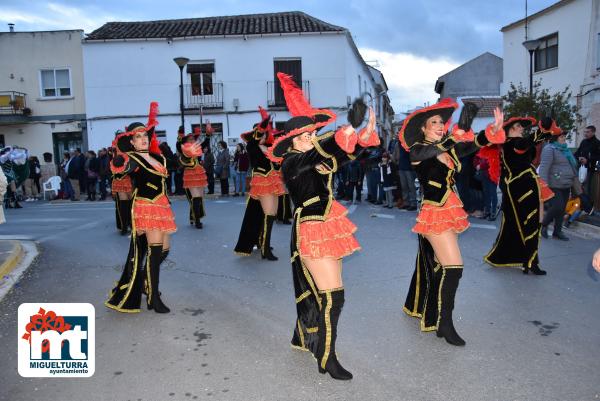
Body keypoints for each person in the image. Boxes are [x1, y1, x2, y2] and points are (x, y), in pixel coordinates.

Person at [268, 72, 379, 380]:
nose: (310, 139)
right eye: (303, 136)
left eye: (311, 134)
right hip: (311, 228)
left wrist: (362, 134)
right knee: (333, 294)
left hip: (328, 224)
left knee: (325, 292)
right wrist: (345, 130)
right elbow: (324, 150)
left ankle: (314, 342)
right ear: (291, 141)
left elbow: (345, 154)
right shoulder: (292, 162)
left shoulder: (314, 158)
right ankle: (327, 357)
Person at [401, 99, 505, 346]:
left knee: (442, 267)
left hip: (450, 209)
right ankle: (444, 324)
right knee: (454, 266)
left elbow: (474, 144)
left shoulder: (447, 149)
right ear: (424, 129)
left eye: (441, 122)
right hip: (434, 212)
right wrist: (453, 136)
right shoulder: (418, 150)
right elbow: (427, 152)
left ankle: (438, 319)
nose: (439, 125)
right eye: (433, 122)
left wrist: (491, 129)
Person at [106, 102, 176, 314]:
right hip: (146, 207)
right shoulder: (133, 159)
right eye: (138, 137)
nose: (143, 139)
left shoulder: (157, 157)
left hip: (163, 206)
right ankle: (154, 298)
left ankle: (145, 280)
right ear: (132, 142)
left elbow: (175, 164)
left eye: (145, 135)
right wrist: (118, 161)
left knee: (164, 250)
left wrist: (189, 154)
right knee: (154, 253)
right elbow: (121, 168)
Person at [484, 116, 562, 274]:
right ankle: (531, 262)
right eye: (519, 126)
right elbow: (525, 143)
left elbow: (533, 142)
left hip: (525, 184)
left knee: (520, 223)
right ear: (511, 129)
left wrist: (546, 129)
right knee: (532, 222)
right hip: (522, 187)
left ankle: (527, 260)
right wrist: (541, 130)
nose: (522, 129)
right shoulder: (512, 143)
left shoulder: (513, 144)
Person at [234, 107, 286, 260]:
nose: (265, 134)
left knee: (268, 215)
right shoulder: (252, 146)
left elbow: (278, 161)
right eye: (262, 133)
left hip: (273, 181)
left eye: (265, 132)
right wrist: (265, 121)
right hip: (262, 182)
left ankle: (263, 242)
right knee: (268, 214)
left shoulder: (269, 147)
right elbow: (257, 138)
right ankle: (265, 250)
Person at [539, 131, 578, 241]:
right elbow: (544, 168)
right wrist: (543, 185)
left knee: (561, 210)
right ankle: (544, 224)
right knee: (558, 206)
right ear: (555, 138)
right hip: (553, 184)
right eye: (561, 136)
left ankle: (557, 231)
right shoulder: (549, 149)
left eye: (564, 136)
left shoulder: (565, 150)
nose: (564, 138)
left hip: (566, 183)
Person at [177, 127, 208, 229]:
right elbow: (178, 146)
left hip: (199, 174)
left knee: (199, 198)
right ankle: (197, 221)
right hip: (190, 175)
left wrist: (207, 135)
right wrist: (180, 135)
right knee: (195, 198)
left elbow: (204, 144)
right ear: (186, 141)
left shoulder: (197, 147)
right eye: (190, 139)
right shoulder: (184, 148)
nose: (192, 140)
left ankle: (193, 217)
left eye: (193, 139)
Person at [111, 132, 134, 235]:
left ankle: (125, 226)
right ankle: (128, 225)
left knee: (124, 204)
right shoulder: (127, 150)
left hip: (122, 179)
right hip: (126, 179)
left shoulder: (115, 150)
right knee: (127, 204)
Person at [475, 143, 500, 220]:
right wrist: (476, 164)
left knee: (492, 193)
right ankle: (487, 212)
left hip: (492, 174)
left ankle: (493, 213)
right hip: (484, 174)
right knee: (486, 193)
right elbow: (476, 158)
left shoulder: (495, 148)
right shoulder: (484, 147)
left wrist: (480, 165)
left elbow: (491, 162)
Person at [574, 125, 600, 195]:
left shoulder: (597, 143)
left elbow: (598, 157)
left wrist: (588, 160)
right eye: (585, 132)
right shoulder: (583, 142)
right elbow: (577, 153)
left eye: (588, 132)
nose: (585, 134)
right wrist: (579, 158)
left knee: (587, 188)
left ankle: (587, 204)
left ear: (593, 132)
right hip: (580, 168)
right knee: (578, 186)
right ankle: (580, 202)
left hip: (590, 169)